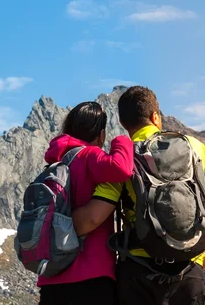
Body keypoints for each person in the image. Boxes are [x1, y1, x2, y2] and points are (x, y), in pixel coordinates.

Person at [72, 86, 205, 305]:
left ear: (125, 125)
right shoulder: (194, 147)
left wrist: (53, 226)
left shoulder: (123, 161)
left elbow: (92, 218)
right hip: (189, 271)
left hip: (138, 272)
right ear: (155, 116)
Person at [37, 101, 135, 305]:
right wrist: (121, 141)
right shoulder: (89, 155)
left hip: (51, 278)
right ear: (100, 134)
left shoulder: (55, 164)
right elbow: (122, 169)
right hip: (90, 276)